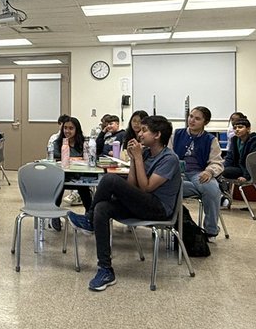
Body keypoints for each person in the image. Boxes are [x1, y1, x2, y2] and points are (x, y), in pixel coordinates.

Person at [68, 115, 180, 291]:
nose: (140, 133)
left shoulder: (169, 159)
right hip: (142, 203)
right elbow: (132, 186)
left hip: (158, 209)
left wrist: (138, 159)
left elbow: (146, 187)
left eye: (144, 130)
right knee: (102, 208)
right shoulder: (145, 153)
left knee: (110, 179)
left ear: (157, 135)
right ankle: (105, 269)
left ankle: (88, 221)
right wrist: (135, 160)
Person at [172, 106, 224, 238]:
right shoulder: (176, 134)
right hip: (178, 174)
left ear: (205, 122)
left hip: (199, 173)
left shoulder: (211, 140)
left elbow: (216, 161)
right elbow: (168, 155)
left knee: (212, 190)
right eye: (190, 116)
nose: (192, 120)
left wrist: (209, 172)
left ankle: (211, 231)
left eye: (197, 118)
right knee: (170, 187)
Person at [49, 116, 93, 213]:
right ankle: (54, 214)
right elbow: (56, 155)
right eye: (65, 128)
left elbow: (87, 157)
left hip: (80, 175)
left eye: (71, 128)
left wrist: (69, 158)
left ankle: (89, 214)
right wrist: (75, 158)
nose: (67, 131)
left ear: (77, 130)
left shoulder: (82, 143)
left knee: (84, 188)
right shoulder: (58, 142)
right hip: (62, 175)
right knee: (58, 186)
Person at [221, 117, 256, 182]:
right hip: (238, 167)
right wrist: (221, 167)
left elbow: (252, 162)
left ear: (248, 129)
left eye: (240, 127)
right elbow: (229, 158)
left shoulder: (255, 141)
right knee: (219, 169)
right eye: (235, 128)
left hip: (248, 170)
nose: (237, 129)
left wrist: (246, 176)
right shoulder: (234, 140)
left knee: (224, 171)